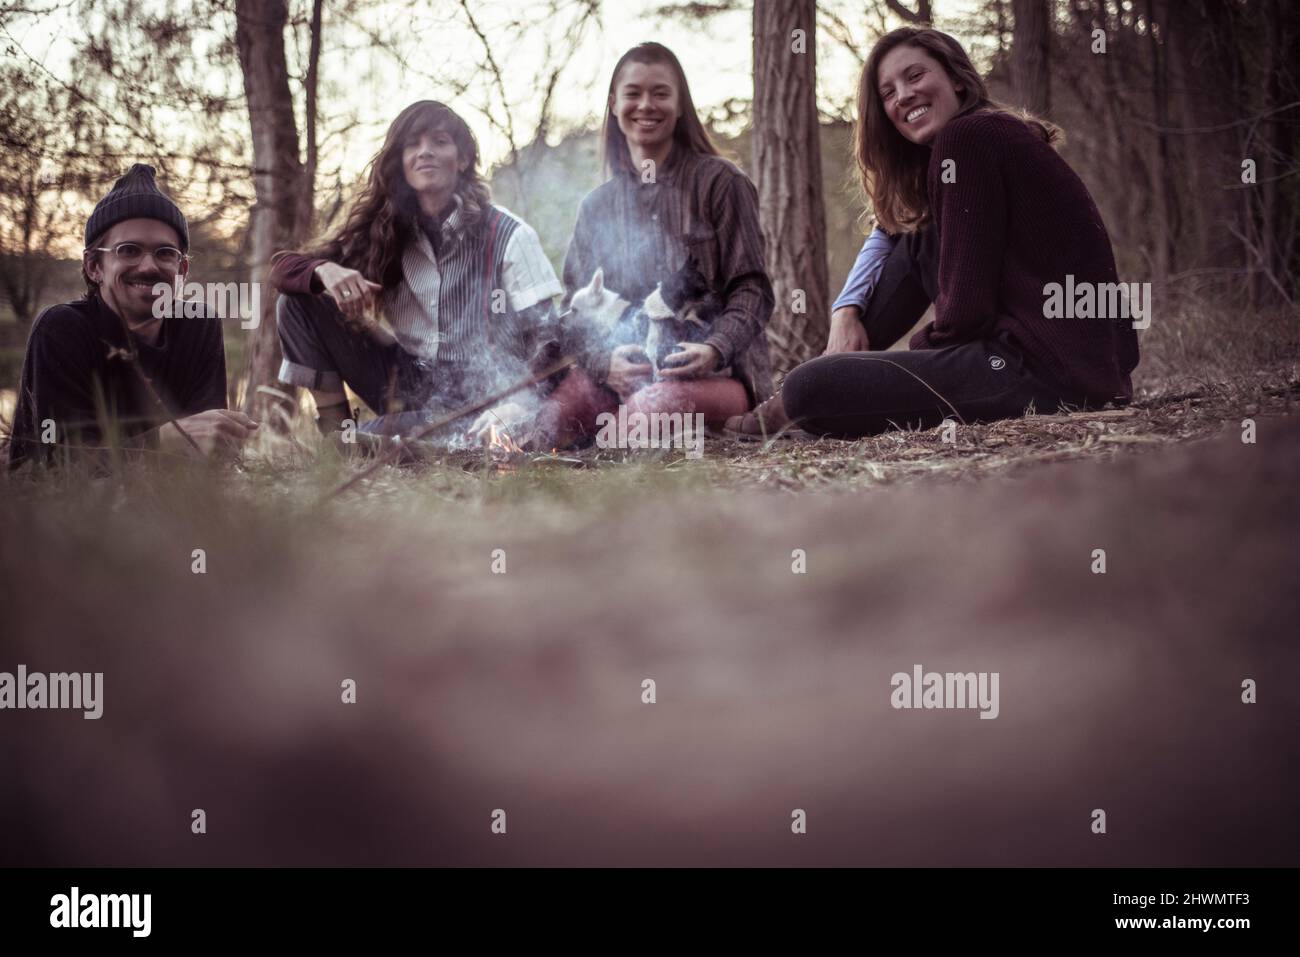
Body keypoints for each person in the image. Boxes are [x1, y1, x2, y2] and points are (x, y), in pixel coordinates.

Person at [726, 27, 1139, 439]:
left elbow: (964, 314)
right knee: (915, 237)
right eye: (888, 93)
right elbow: (894, 236)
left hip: (1042, 372)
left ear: (957, 78)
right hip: (1073, 366)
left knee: (809, 386)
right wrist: (846, 310)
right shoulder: (989, 137)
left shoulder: (967, 138)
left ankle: (794, 398)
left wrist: (923, 351)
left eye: (915, 76)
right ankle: (806, 388)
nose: (902, 95)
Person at [270, 100, 567, 442]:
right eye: (413, 143)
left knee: (387, 438)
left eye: (440, 141)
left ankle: (371, 442)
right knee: (296, 302)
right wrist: (325, 270)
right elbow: (282, 270)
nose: (425, 152)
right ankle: (339, 438)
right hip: (409, 379)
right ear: (401, 161)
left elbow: (551, 341)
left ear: (463, 159)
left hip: (484, 395)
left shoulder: (510, 235)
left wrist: (517, 404)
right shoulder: (383, 230)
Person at [549, 41, 774, 440]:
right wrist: (605, 364)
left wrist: (715, 348)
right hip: (622, 380)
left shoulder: (722, 184)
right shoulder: (596, 207)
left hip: (716, 376)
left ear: (681, 104)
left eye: (660, 93)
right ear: (614, 104)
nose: (646, 105)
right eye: (633, 93)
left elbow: (753, 289)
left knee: (641, 418)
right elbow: (571, 313)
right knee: (555, 419)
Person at [6, 164, 254, 470]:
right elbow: (49, 459)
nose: (149, 266)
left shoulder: (199, 325)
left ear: (182, 270)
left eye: (165, 253)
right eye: (129, 250)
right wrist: (162, 442)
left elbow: (208, 453)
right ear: (94, 266)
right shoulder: (61, 328)